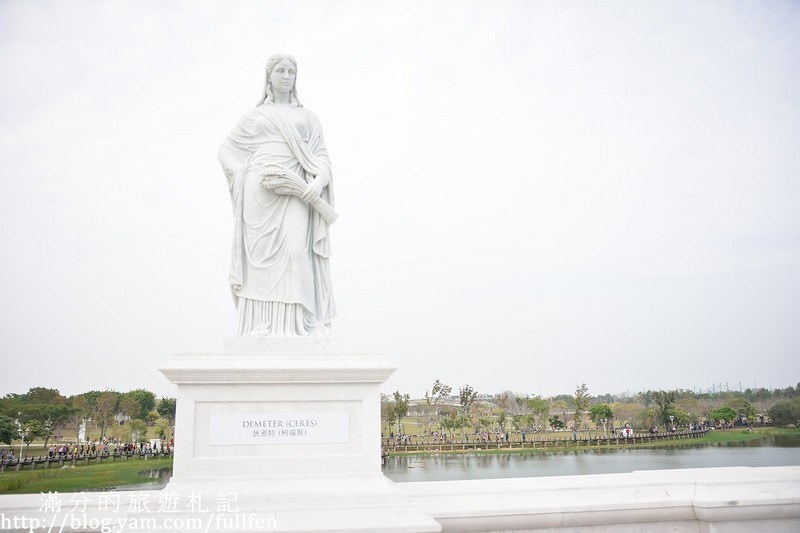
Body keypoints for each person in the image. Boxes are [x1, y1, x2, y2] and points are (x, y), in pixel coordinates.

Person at [219, 54, 335, 336]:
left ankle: (308, 322)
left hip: (296, 190)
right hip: (258, 192)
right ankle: (260, 323)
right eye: (280, 71)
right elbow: (226, 149)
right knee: (260, 260)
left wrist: (318, 183)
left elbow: (322, 158)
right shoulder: (254, 116)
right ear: (269, 76)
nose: (286, 76)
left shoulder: (307, 118)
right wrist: (243, 174)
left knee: (296, 251)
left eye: (291, 71)